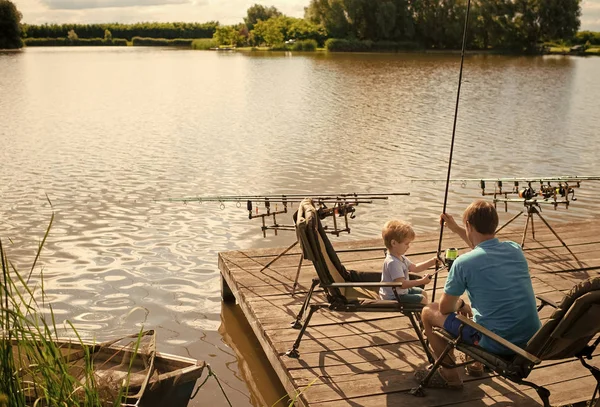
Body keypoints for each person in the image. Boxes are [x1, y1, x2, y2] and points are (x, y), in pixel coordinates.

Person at [416, 200, 542, 388]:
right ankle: (475, 365)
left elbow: (445, 308)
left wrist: (460, 305)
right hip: (530, 339)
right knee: (478, 309)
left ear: (469, 225)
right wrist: (456, 228)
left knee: (428, 312)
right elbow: (484, 248)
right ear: (495, 224)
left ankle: (450, 377)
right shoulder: (515, 250)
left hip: (497, 343)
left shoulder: (463, 263)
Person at [379, 220, 438, 304]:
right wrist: (422, 281)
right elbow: (402, 284)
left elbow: (415, 268)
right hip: (393, 296)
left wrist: (432, 262)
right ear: (394, 243)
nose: (408, 246)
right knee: (422, 299)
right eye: (406, 243)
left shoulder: (400, 257)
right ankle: (424, 315)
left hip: (401, 292)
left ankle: (422, 314)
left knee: (423, 293)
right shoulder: (392, 262)